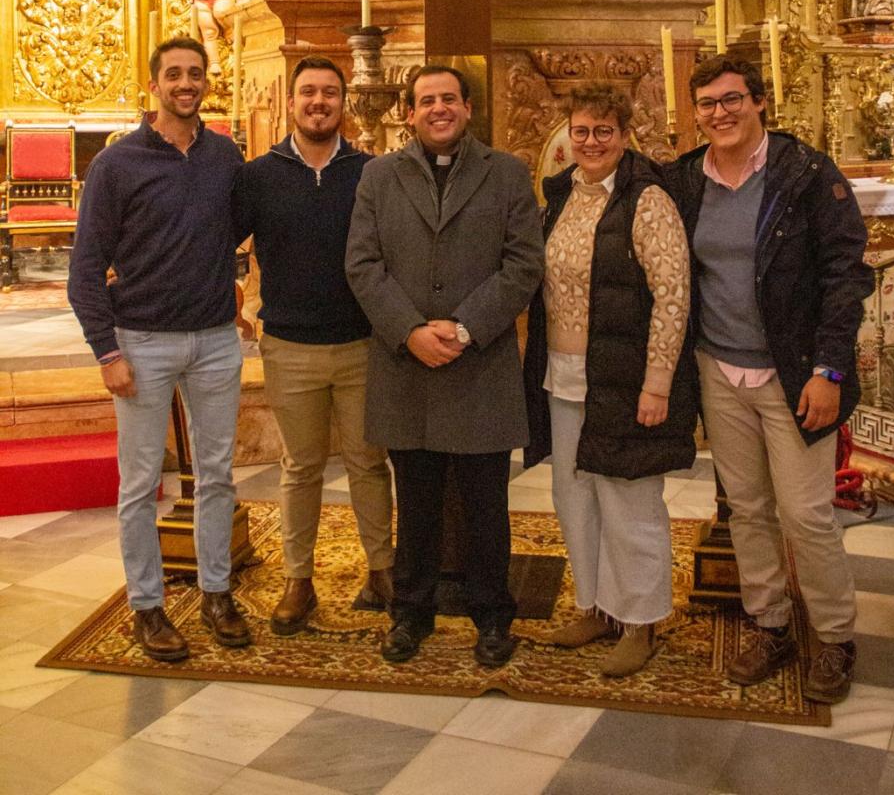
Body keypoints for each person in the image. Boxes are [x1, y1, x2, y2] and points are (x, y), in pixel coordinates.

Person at [664, 55, 873, 704]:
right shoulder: (685, 180)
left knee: (805, 514)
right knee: (747, 508)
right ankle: (769, 623)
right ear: (694, 113)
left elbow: (845, 275)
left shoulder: (802, 173)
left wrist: (827, 369)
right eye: (706, 104)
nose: (718, 114)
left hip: (793, 373)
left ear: (758, 103)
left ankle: (835, 637)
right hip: (717, 367)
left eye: (731, 100)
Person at [345, 64, 544, 668]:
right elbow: (363, 264)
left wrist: (462, 328)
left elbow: (523, 265)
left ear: (467, 108)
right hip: (406, 366)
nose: (438, 109)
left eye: (449, 99)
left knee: (487, 505)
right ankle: (411, 612)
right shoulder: (379, 176)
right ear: (409, 112)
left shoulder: (506, 172)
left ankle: (492, 615)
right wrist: (409, 330)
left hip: (478, 364)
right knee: (419, 502)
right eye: (426, 100)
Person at [67, 38, 251, 662]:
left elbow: (247, 231)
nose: (186, 83)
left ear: (206, 83)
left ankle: (217, 592)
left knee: (219, 474)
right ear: (154, 86)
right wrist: (106, 352)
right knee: (141, 482)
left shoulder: (225, 156)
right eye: (174, 74)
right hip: (141, 342)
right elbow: (85, 269)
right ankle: (147, 605)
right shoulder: (117, 164)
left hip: (214, 343)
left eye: (195, 74)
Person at [523, 85, 695, 676]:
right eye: (581, 131)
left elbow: (674, 297)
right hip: (564, 377)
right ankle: (596, 606)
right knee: (574, 497)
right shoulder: (562, 196)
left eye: (603, 131)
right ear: (567, 136)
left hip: (623, 380)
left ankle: (642, 622)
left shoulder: (647, 201)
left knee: (629, 500)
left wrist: (657, 383)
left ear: (624, 137)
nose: (591, 142)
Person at [233, 57, 394, 635]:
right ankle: (298, 580)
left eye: (329, 92)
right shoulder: (259, 174)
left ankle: (382, 570)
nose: (318, 101)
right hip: (290, 345)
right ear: (291, 102)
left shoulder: (372, 172)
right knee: (299, 467)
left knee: (368, 464)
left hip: (361, 344)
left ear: (343, 102)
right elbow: (222, 241)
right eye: (308, 92)